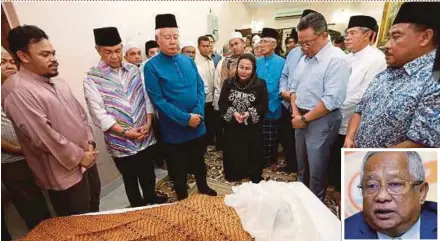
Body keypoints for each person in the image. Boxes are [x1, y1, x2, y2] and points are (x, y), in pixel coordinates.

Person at [2, 25, 101, 216]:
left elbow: (81, 115)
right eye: (45, 55)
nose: (54, 59)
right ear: (24, 56)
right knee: (77, 224)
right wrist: (80, 156)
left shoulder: (56, 80)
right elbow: (43, 136)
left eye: (53, 53)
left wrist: (89, 144)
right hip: (64, 173)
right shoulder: (17, 90)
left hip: (88, 158)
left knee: (95, 212)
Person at [84, 27, 167, 207]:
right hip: (120, 142)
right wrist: (125, 132)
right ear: (98, 50)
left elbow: (146, 98)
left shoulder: (134, 70)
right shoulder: (92, 78)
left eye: (118, 50)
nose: (114, 56)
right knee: (130, 179)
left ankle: (151, 198)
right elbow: (98, 114)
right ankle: (137, 209)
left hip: (145, 135)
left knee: (148, 174)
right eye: (108, 52)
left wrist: (148, 122)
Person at [345, 2, 440, 148]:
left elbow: (422, 142)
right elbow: (359, 110)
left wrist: (368, 160)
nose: (387, 45)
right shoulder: (385, 74)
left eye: (395, 37)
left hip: (387, 168)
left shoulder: (434, 80)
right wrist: (350, 137)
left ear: (425, 37)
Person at [144, 14, 217, 200]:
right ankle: (183, 198)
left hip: (197, 123)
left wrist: (198, 114)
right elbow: (158, 100)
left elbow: (200, 87)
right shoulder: (151, 66)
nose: (172, 41)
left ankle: (203, 186)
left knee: (199, 161)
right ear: (158, 39)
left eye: (175, 36)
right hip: (174, 129)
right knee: (178, 167)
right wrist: (186, 119)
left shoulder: (187, 60)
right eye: (167, 37)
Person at [290, 12, 349, 201]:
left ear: (324, 36)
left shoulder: (336, 59)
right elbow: (294, 87)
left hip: (321, 119)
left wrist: (304, 119)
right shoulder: (304, 57)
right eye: (301, 43)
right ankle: (301, 197)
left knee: (317, 167)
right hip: (300, 116)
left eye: (308, 43)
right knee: (302, 165)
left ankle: (315, 204)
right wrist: (296, 112)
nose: (304, 48)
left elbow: (331, 100)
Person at [329, 15, 387, 192]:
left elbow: (364, 95)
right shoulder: (347, 57)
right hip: (336, 117)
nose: (347, 37)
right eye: (347, 33)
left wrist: (332, 105)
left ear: (368, 34)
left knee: (350, 166)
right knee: (334, 161)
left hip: (356, 122)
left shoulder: (377, 59)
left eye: (352, 33)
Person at [1, 47, 51, 233]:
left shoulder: (22, 88)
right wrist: (18, 149)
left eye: (12, 62)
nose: (10, 66)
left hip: (37, 155)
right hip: (14, 162)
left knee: (49, 204)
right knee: (32, 209)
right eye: (2, 63)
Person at [345, 151, 437, 239]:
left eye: (395, 184)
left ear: (421, 192)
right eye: (372, 185)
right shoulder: (344, 232)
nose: (381, 197)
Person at [219, 53, 268, 183]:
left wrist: (249, 113)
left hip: (251, 126)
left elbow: (263, 105)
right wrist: (234, 113)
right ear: (237, 67)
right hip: (232, 126)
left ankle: (253, 174)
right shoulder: (228, 82)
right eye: (241, 67)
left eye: (248, 68)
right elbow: (222, 103)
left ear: (253, 70)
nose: (244, 71)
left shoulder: (260, 84)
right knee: (233, 149)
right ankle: (234, 174)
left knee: (252, 150)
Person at [256, 27, 285, 169]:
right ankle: (260, 160)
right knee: (259, 137)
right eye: (260, 41)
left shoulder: (282, 62)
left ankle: (270, 161)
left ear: (274, 45)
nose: (261, 45)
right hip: (257, 106)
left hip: (274, 105)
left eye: (265, 42)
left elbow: (284, 85)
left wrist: (273, 102)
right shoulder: (257, 61)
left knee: (271, 138)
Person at [213, 32, 246, 151]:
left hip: (249, 101)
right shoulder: (226, 61)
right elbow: (224, 83)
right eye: (231, 45)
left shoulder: (251, 58)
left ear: (243, 43)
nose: (234, 47)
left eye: (236, 43)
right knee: (232, 135)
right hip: (232, 102)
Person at [195, 36, 216, 149]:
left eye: (208, 46)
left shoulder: (211, 59)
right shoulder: (196, 61)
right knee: (202, 121)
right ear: (198, 47)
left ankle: (209, 142)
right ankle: (202, 145)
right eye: (203, 46)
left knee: (210, 121)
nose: (206, 48)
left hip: (211, 97)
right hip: (201, 97)